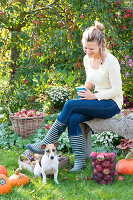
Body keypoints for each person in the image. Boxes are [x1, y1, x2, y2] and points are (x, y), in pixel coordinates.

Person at [27, 21, 123, 172]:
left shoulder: (111, 61)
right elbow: (90, 80)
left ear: (101, 45)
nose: (87, 51)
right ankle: (80, 162)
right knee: (73, 118)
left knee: (70, 105)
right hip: (97, 99)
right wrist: (85, 91)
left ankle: (45, 143)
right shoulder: (87, 59)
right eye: (85, 47)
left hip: (111, 104)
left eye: (91, 48)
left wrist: (93, 97)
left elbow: (117, 90)